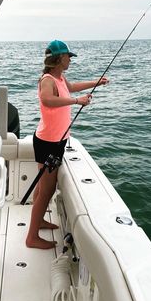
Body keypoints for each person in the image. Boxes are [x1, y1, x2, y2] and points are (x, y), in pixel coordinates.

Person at [26, 39, 109, 249]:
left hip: (55, 140)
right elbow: (46, 100)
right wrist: (76, 101)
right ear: (59, 58)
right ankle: (32, 237)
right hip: (48, 142)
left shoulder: (60, 78)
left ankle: (38, 221)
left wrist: (96, 82)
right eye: (68, 57)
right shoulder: (47, 80)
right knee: (47, 189)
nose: (70, 60)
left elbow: (71, 87)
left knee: (43, 187)